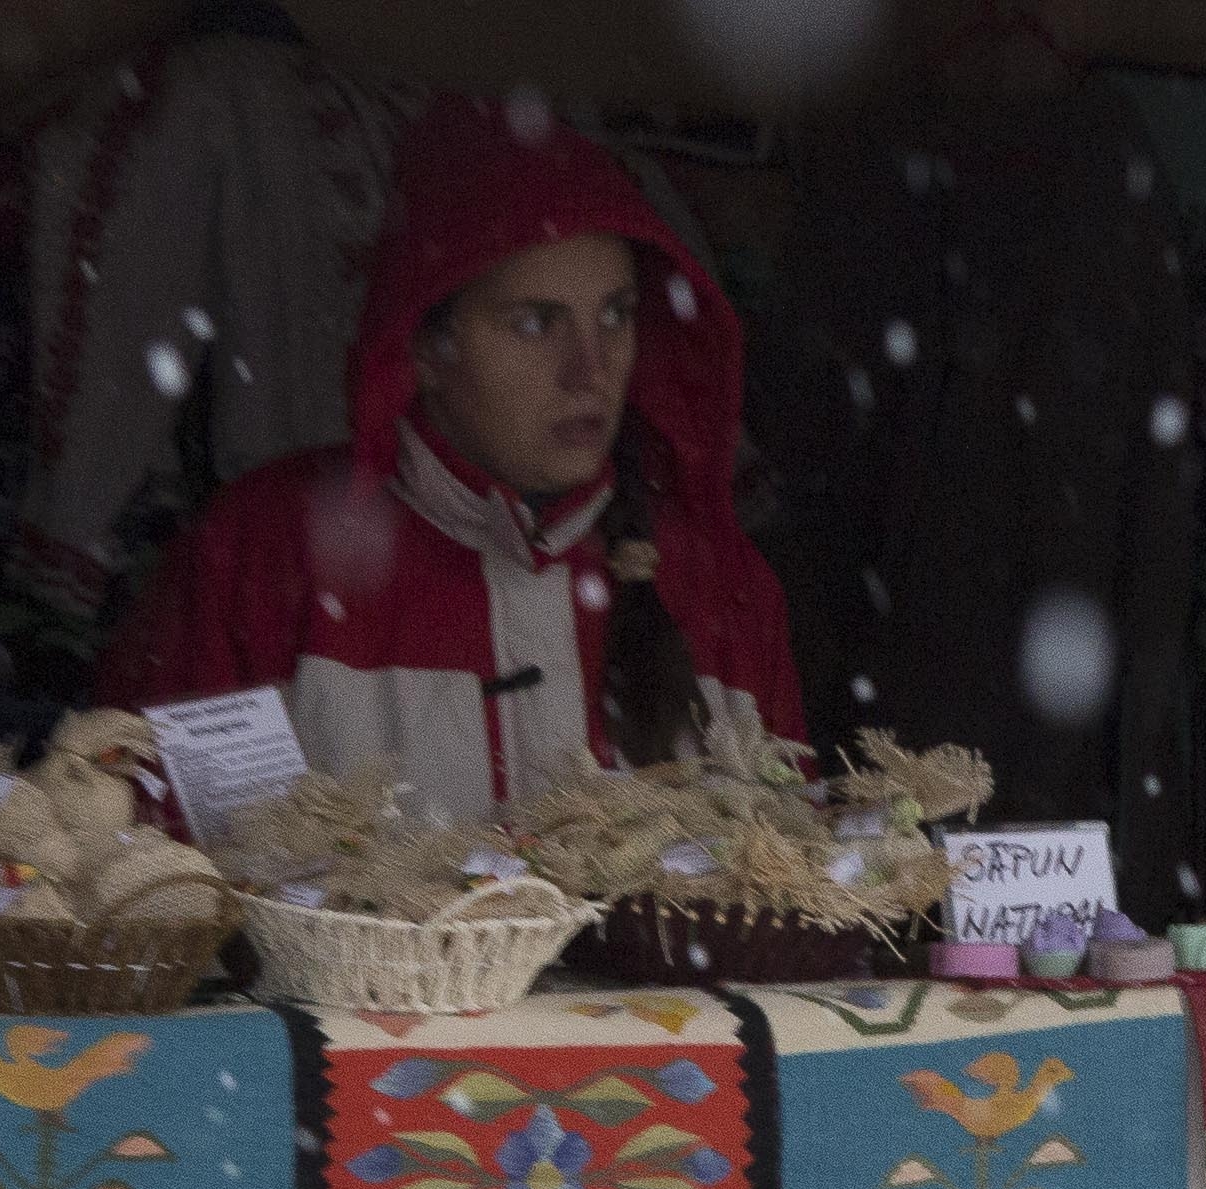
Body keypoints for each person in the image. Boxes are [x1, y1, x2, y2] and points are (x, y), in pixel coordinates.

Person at [101, 93, 799, 802]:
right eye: (536, 324)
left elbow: (800, 862)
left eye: (615, 315)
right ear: (426, 349)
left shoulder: (721, 588)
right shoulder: (261, 558)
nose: (590, 372)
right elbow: (149, 857)